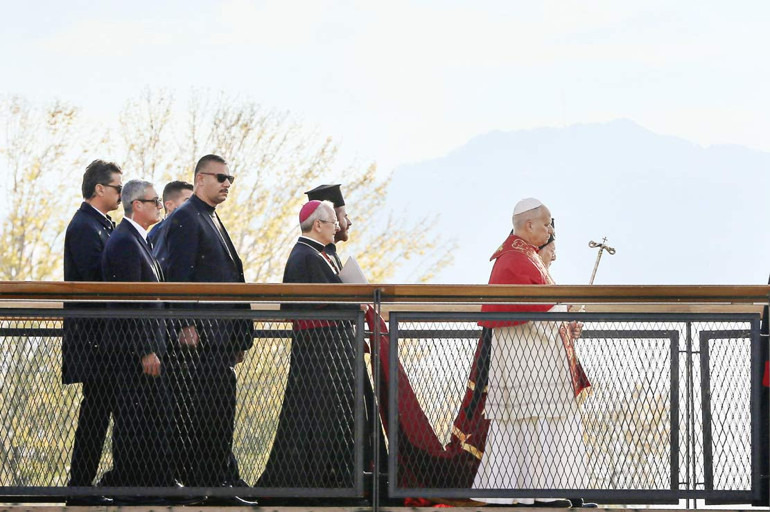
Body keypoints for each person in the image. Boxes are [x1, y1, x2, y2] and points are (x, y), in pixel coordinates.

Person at [472, 198, 586, 508]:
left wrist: (566, 316)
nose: (551, 229)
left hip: (539, 360)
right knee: (534, 424)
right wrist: (565, 311)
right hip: (527, 362)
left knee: (547, 423)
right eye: (547, 223)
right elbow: (536, 311)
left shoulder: (528, 257)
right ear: (529, 225)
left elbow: (544, 306)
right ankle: (540, 493)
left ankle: (561, 489)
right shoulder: (513, 260)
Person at [159, 154, 254, 505]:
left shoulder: (210, 217)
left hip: (220, 337)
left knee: (219, 412)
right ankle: (206, 488)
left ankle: (217, 486)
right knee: (204, 416)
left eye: (231, 178)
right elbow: (176, 275)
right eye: (221, 177)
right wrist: (185, 324)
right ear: (200, 179)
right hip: (200, 338)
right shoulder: (186, 218)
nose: (227, 183)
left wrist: (241, 335)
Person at [257, 200, 359, 489]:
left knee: (331, 413)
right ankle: (317, 482)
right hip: (319, 352)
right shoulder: (304, 256)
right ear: (317, 225)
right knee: (318, 415)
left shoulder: (317, 254)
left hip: (329, 348)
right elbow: (322, 304)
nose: (337, 226)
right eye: (332, 223)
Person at [100, 180, 174, 492]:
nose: (159, 205)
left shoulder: (138, 240)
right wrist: (145, 349)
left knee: (151, 419)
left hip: (143, 348)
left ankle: (152, 484)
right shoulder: (124, 242)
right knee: (133, 421)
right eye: (154, 200)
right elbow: (129, 301)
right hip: (132, 352)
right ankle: (129, 488)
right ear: (137, 205)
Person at [62, 159, 123, 506]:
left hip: (102, 338)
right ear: (99, 189)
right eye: (117, 188)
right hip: (97, 339)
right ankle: (80, 487)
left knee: (100, 411)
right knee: (96, 413)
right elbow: (94, 282)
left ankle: (88, 484)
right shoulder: (86, 226)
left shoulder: (99, 224)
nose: (120, 194)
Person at [147, 180, 193, 248]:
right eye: (188, 201)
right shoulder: (155, 235)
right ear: (169, 205)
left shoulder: (194, 229)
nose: (194, 205)